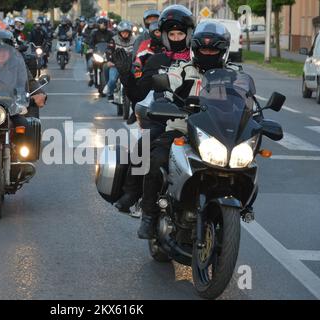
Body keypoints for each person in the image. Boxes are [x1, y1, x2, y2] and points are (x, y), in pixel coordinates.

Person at [137, 20, 245, 239]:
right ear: (195, 49)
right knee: (157, 158)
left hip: (217, 133)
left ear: (222, 51)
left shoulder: (234, 75)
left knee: (245, 162)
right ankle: (148, 215)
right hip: (182, 129)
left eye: (212, 49)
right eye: (203, 48)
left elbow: (246, 101)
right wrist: (167, 98)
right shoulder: (183, 70)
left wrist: (256, 116)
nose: (208, 52)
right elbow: (168, 84)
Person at [112, 5, 195, 213]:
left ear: (189, 34)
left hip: (198, 120)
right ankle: (135, 196)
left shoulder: (199, 59)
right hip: (164, 118)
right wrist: (125, 76)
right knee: (146, 149)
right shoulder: (157, 60)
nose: (176, 38)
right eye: (172, 33)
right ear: (165, 36)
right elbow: (138, 94)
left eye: (180, 33)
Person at [103, 21, 136, 102]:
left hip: (130, 65)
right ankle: (110, 94)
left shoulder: (135, 40)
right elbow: (109, 51)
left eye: (126, 32)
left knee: (138, 78)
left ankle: (137, 94)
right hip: (116, 65)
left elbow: (138, 51)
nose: (124, 34)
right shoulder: (114, 40)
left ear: (129, 32)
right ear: (119, 32)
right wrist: (109, 61)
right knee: (112, 80)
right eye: (123, 32)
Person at [87, 16, 114, 87]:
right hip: (97, 53)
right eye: (101, 24)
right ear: (98, 24)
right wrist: (90, 48)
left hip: (107, 54)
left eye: (104, 24)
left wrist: (113, 48)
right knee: (90, 64)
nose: (102, 26)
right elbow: (91, 42)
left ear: (106, 25)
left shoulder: (110, 33)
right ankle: (91, 78)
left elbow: (114, 42)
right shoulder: (94, 33)